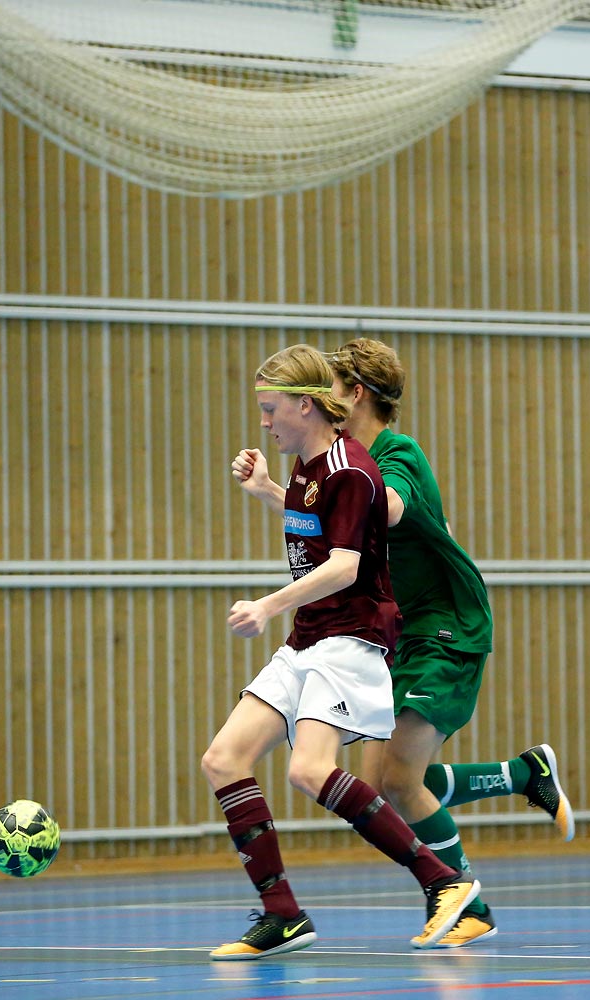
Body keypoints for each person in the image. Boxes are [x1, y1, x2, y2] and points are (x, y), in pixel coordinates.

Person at [203, 344, 480, 961]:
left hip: (351, 639)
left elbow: (346, 563)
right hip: (308, 638)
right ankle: (283, 914)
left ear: (307, 405)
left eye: (271, 410)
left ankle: (443, 879)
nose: (265, 422)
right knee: (224, 759)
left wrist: (267, 605)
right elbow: (319, 523)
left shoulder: (353, 469)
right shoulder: (307, 466)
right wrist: (268, 489)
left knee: (309, 770)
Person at [328, 337, 573, 948]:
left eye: (330, 387)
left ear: (356, 393)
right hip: (402, 631)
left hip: (446, 625)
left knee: (401, 777)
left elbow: (388, 506)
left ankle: (465, 900)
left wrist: (343, 487)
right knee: (382, 784)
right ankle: (521, 774)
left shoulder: (394, 453)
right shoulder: (348, 456)